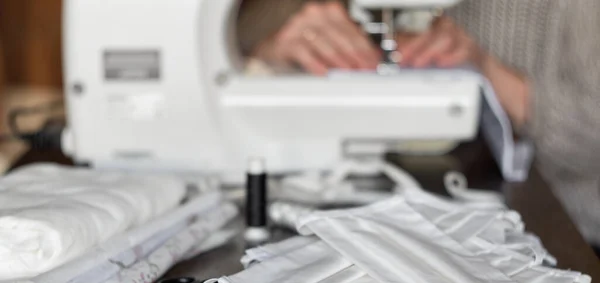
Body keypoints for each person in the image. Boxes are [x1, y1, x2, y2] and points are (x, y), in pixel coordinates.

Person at [237, 0, 600, 256]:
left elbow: (590, 129)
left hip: (578, 231)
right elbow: (247, 26)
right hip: (455, 211)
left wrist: (491, 72)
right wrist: (273, 51)